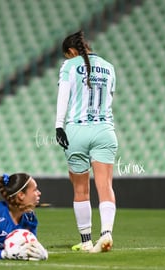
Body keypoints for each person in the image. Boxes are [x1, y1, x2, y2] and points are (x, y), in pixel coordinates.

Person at [55, 30, 118, 253]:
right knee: (105, 186)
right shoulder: (109, 67)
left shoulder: (69, 66)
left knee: (81, 189)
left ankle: (86, 240)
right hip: (104, 131)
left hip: (76, 131)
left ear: (71, 52)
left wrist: (58, 125)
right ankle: (107, 233)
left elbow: (63, 96)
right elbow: (109, 99)